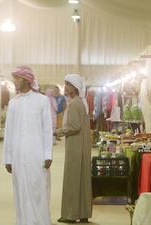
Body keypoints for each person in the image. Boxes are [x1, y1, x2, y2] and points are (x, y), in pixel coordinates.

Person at [2, 66, 53, 225]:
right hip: (17, 155)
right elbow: (8, 131)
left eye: (16, 79)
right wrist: (8, 158)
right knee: (21, 191)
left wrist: (47, 154)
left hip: (36, 154)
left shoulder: (42, 100)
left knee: (38, 189)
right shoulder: (13, 103)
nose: (14, 82)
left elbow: (47, 129)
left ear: (25, 79)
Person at [55, 74, 92, 223]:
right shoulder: (79, 102)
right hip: (81, 145)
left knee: (72, 179)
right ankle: (83, 212)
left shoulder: (74, 104)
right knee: (82, 179)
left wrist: (57, 132)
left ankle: (70, 215)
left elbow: (74, 126)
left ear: (75, 88)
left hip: (76, 146)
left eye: (68, 85)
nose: (65, 87)